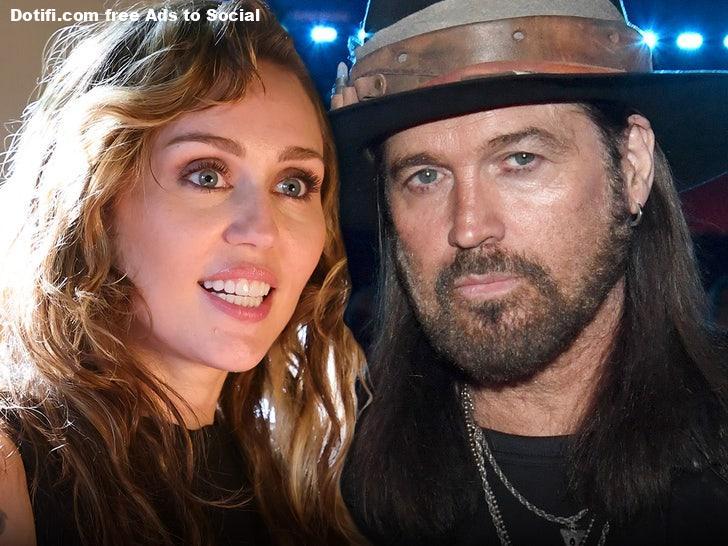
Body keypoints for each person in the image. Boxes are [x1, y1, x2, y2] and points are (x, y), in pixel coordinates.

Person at [330, 0, 728, 544]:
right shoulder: (323, 482)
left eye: (520, 159)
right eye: (425, 176)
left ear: (632, 167)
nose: (469, 227)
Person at [0, 1, 364, 545]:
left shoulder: (306, 477)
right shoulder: (11, 467)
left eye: (293, 185)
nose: (263, 230)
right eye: (206, 175)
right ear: (97, 199)